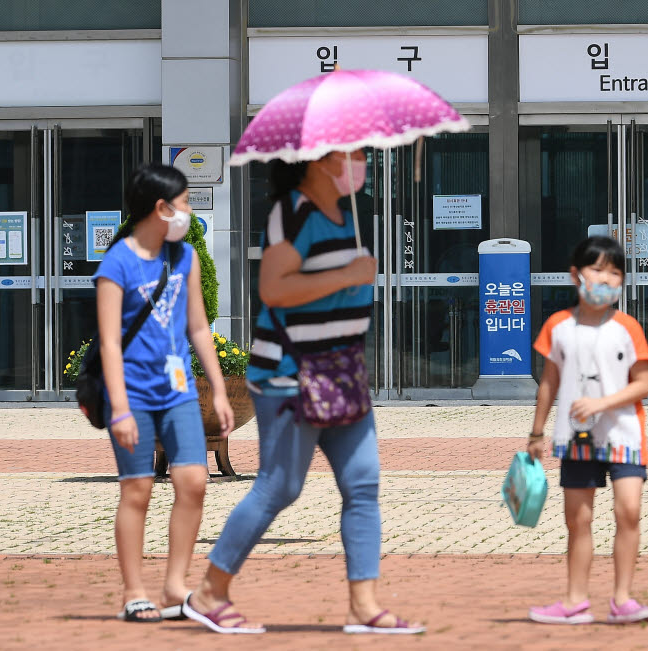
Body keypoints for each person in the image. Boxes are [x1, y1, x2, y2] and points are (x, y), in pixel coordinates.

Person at [183, 149, 425, 635]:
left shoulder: (345, 216)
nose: (359, 162)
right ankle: (209, 590)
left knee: (363, 485)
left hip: (341, 373)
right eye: (351, 154)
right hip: (292, 374)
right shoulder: (295, 212)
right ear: (320, 160)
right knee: (280, 486)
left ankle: (364, 604)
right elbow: (274, 287)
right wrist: (348, 275)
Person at [94, 163, 233, 622]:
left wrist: (217, 389)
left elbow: (197, 326)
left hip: (177, 393)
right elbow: (110, 341)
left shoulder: (185, 259)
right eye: (186, 202)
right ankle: (134, 591)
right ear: (160, 207)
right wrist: (120, 409)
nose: (189, 212)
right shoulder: (118, 263)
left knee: (193, 482)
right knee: (136, 490)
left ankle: (175, 586)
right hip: (132, 395)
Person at [527, 235, 648, 625]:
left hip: (624, 435)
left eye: (615, 273)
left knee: (629, 511)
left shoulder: (627, 327)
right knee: (578, 519)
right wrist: (536, 433)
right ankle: (574, 601)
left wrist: (602, 403)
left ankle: (623, 599)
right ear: (575, 274)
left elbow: (644, 382)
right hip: (575, 439)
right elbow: (549, 383)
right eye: (597, 269)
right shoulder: (558, 326)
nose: (605, 279)